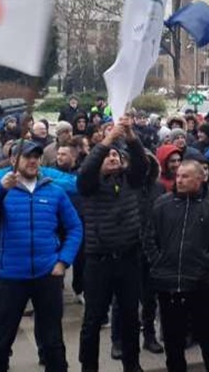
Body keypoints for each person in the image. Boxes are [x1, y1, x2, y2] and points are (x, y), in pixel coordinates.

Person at [0, 140, 83, 372]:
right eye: (27, 157)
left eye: (36, 157)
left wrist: (64, 260)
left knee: (53, 339)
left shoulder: (54, 191)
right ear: (14, 161)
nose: (33, 161)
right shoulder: (2, 188)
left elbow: (75, 227)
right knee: (1, 339)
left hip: (47, 274)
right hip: (10, 276)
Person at [76, 117, 149, 372]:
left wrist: (129, 135)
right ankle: (89, 367)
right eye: (108, 156)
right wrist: (107, 140)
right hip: (99, 261)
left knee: (130, 316)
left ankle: (132, 364)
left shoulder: (131, 180)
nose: (113, 158)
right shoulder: (89, 185)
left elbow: (142, 161)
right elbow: (87, 169)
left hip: (128, 259)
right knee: (93, 320)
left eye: (117, 155)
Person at [144, 160, 209, 372]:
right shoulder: (162, 204)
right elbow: (148, 236)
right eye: (178, 176)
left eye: (186, 176)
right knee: (173, 344)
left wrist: (206, 262)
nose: (179, 180)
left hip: (200, 283)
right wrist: (157, 261)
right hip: (168, 283)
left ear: (200, 179)